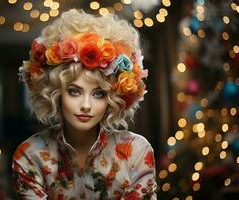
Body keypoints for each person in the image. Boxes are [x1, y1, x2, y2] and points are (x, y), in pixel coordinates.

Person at [13, 9, 157, 199]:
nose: (86, 105)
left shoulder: (137, 151)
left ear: (112, 98)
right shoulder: (30, 155)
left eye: (98, 93)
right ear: (56, 93)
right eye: (74, 91)